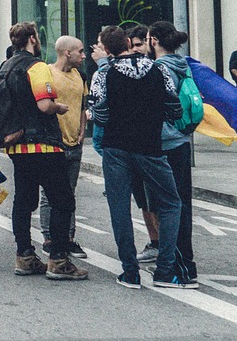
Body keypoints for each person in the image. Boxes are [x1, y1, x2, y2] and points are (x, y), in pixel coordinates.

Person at [87, 26, 192, 289]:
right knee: (171, 203)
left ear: (107, 49)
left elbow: (99, 114)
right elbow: (175, 109)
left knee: (119, 207)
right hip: (150, 146)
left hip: (116, 148)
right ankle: (166, 270)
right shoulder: (158, 70)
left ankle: (130, 272)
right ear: (128, 42)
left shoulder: (104, 74)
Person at [0, 22, 86, 281]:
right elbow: (45, 105)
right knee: (62, 200)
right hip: (44, 144)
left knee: (24, 202)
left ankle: (24, 256)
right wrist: (60, 108)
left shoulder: (7, 66)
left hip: (18, 146)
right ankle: (58, 259)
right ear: (33, 39)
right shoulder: (36, 67)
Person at [147, 22, 200, 282]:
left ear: (154, 40)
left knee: (168, 207)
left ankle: (176, 267)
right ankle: (186, 264)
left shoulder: (159, 69)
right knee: (182, 204)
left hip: (164, 142)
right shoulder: (183, 65)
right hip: (181, 140)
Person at [40, 35, 90, 259]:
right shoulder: (48, 73)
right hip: (53, 143)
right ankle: (50, 238)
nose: (83, 55)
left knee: (69, 194)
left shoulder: (80, 76)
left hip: (74, 142)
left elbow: (82, 105)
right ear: (67, 53)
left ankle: (68, 238)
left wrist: (82, 129)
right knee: (49, 195)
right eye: (80, 51)